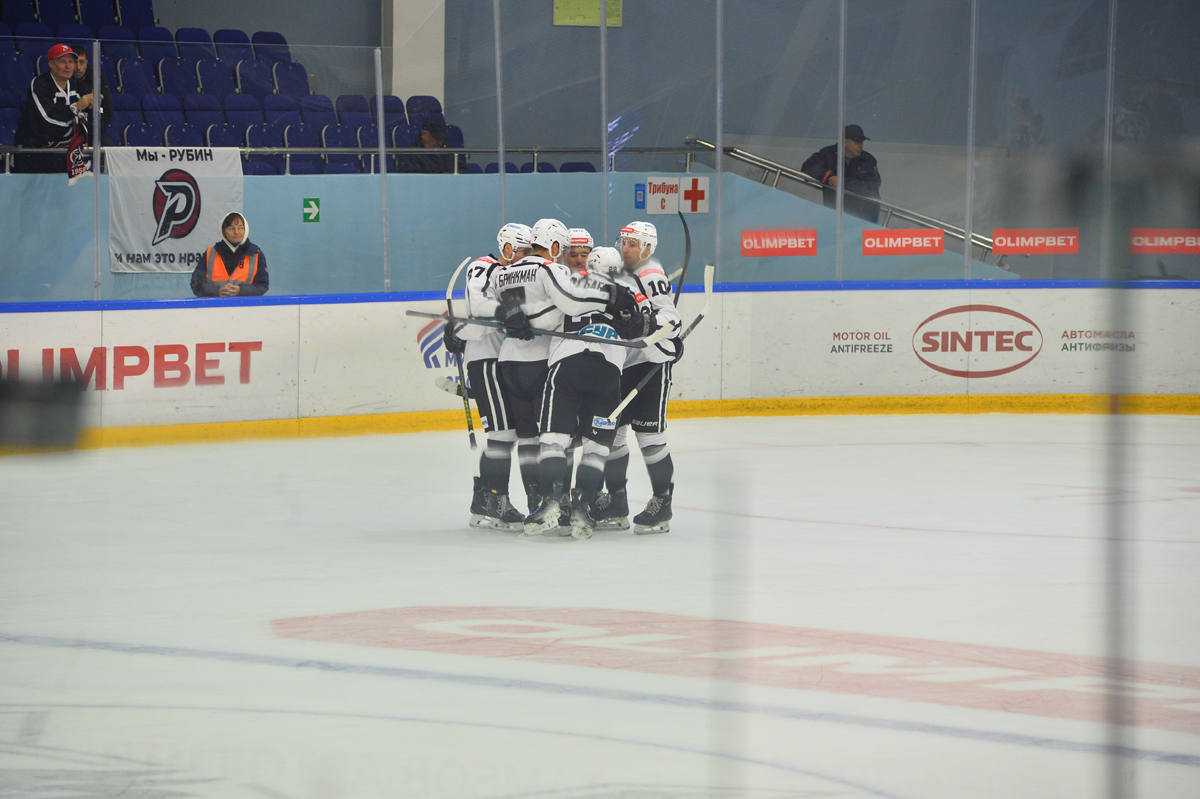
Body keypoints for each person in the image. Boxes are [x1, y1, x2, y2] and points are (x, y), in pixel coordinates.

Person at [496, 229, 648, 539]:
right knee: (596, 447)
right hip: (608, 371)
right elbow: (644, 330)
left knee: (554, 439)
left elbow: (543, 318)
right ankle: (582, 509)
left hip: (567, 364)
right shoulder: (629, 293)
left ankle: (551, 505)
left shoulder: (569, 284)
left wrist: (514, 317)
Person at [592, 221, 684, 534]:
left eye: (633, 244)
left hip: (649, 365)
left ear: (647, 248)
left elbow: (671, 319)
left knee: (650, 438)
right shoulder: (620, 271)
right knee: (613, 435)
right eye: (624, 242)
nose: (626, 248)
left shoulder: (651, 272)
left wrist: (646, 325)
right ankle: (617, 502)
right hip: (621, 365)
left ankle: (662, 503)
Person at [443, 223, 533, 531]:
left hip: (509, 360)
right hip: (486, 360)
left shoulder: (520, 274)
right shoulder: (484, 266)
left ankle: (483, 499)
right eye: (522, 250)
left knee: (508, 433)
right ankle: (497, 502)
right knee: (502, 434)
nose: (526, 256)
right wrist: (504, 314)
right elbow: (479, 308)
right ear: (507, 248)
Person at [12, 44, 93, 174]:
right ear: (51, 64)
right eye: (63, 61)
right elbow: (48, 120)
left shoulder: (77, 84)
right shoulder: (40, 84)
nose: (68, 66)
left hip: (63, 155)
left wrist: (92, 105)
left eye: (71, 61)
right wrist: (76, 107)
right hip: (34, 155)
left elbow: (87, 116)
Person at [800, 124, 882, 224]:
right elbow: (807, 167)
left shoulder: (868, 159)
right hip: (835, 216)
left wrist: (844, 182)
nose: (861, 146)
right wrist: (829, 177)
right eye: (857, 142)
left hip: (864, 217)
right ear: (845, 142)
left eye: (862, 142)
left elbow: (874, 184)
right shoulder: (828, 154)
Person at [191, 212, 269, 297]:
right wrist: (217, 291)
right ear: (223, 231)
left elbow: (263, 286)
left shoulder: (256, 254)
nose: (236, 232)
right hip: (215, 305)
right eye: (231, 229)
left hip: (244, 305)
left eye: (240, 228)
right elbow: (196, 284)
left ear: (245, 229)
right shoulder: (210, 253)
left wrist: (240, 290)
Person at [71, 45, 113, 146]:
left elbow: (108, 108)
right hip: (71, 128)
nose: (78, 67)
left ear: (86, 62)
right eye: (75, 62)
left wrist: (96, 130)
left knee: (109, 148)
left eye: (81, 62)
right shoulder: (64, 77)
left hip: (93, 129)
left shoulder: (96, 74)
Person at [396, 115, 463, 174]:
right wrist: (439, 178)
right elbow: (411, 179)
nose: (440, 143)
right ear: (424, 135)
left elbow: (462, 169)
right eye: (436, 138)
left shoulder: (448, 150)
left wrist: (452, 176)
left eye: (442, 139)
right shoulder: (412, 154)